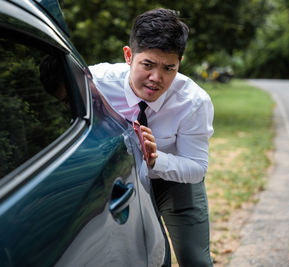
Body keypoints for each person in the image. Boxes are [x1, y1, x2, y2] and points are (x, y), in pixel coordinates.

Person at [89, 8, 214, 267]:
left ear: (180, 61)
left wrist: (158, 160)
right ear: (128, 55)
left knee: (196, 260)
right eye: (147, 65)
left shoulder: (194, 102)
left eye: (169, 68)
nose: (156, 78)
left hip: (175, 180)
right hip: (123, 181)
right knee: (155, 260)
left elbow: (197, 167)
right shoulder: (95, 82)